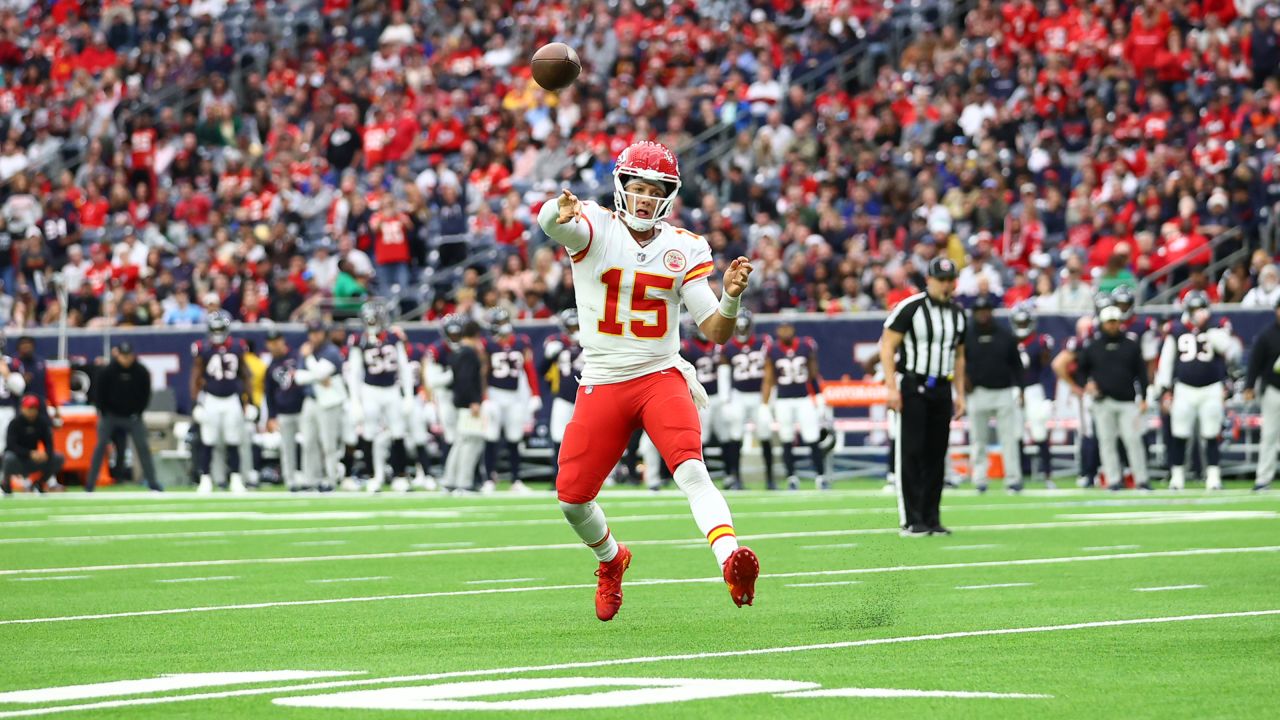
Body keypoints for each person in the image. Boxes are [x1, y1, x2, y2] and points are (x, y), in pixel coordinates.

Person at [536, 140, 759, 621]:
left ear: (668, 195)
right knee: (572, 500)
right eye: (636, 187)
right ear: (621, 188)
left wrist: (732, 297)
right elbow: (551, 225)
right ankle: (612, 559)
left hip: (660, 373)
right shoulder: (594, 226)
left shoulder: (684, 246)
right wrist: (557, 209)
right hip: (603, 378)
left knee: (691, 469)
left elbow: (715, 331)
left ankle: (731, 562)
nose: (642, 198)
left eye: (653, 190)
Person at [880, 256, 967, 537]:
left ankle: (932, 517)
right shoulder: (911, 307)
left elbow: (960, 356)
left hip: (942, 387)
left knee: (936, 454)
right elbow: (888, 344)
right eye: (941, 280)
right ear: (928, 280)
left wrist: (960, 393)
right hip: (914, 386)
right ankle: (911, 519)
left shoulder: (957, 313)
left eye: (949, 280)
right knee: (912, 452)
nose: (945, 285)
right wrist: (892, 387)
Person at [1155, 291, 1239, 490]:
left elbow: (1227, 347)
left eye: (1199, 308)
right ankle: (1177, 477)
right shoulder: (1176, 329)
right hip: (1183, 389)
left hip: (1211, 388)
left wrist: (1206, 327)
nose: (1196, 313)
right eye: (1193, 309)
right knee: (1179, 433)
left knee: (1211, 433)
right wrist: (1165, 389)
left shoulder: (1217, 325)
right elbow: (1166, 360)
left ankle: (1213, 477)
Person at [1076, 305, 1152, 492]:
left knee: (1133, 440)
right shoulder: (1093, 346)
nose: (1112, 326)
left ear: (1120, 323)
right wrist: (1087, 384)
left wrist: (1144, 396)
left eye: (1115, 322)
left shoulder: (1130, 345)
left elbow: (1141, 373)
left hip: (1127, 401)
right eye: (1109, 322)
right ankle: (1113, 480)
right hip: (1103, 401)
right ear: (1102, 324)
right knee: (1106, 442)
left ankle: (1141, 479)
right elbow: (1080, 370)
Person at [348, 301, 414, 493]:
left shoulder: (394, 337)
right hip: (370, 390)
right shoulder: (359, 340)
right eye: (369, 319)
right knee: (369, 433)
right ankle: (372, 476)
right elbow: (355, 373)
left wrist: (408, 395)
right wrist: (355, 401)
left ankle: (400, 476)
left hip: (391, 389)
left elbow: (404, 367)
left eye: (375, 318)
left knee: (398, 432)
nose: (372, 322)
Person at [964, 294, 1024, 493]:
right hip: (977, 392)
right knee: (978, 439)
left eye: (985, 311)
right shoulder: (967, 335)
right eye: (979, 311)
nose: (982, 315)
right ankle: (980, 479)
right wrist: (962, 381)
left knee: (1009, 438)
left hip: (1003, 391)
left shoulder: (1005, 335)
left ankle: (1013, 479)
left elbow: (1016, 364)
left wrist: (1021, 388)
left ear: (991, 312)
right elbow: (958, 362)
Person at [85, 342, 161, 492]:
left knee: (143, 447)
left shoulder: (140, 371)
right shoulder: (107, 371)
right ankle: (90, 484)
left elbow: (146, 394)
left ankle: (153, 482)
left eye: (128, 356)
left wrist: (138, 412)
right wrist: (104, 411)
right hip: (110, 416)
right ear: (117, 355)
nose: (126, 359)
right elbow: (98, 393)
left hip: (132, 417)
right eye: (123, 356)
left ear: (132, 355)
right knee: (100, 446)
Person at [760, 319, 826, 491]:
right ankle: (791, 477)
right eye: (782, 328)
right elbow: (769, 379)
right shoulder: (772, 350)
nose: (785, 331)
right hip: (783, 400)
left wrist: (818, 396)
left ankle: (821, 476)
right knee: (786, 438)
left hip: (803, 399)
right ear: (777, 331)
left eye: (788, 327)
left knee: (812, 437)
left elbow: (813, 373)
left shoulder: (806, 345)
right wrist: (765, 405)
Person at [480, 308, 539, 493]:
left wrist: (535, 394)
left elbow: (529, 369)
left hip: (514, 397)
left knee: (515, 438)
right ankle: (489, 478)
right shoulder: (487, 345)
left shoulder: (521, 342)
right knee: (491, 437)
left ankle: (516, 479)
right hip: (495, 393)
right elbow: (483, 372)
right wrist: (485, 398)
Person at [190, 311, 250, 493]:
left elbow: (245, 374)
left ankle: (236, 478)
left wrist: (249, 401)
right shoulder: (203, 347)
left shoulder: (238, 346)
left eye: (220, 329)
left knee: (234, 440)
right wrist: (196, 403)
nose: (217, 333)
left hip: (232, 398)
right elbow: (196, 376)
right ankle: (206, 478)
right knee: (208, 440)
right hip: (211, 399)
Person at [720, 311, 775, 489]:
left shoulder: (763, 342)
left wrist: (768, 401)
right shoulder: (727, 347)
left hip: (759, 395)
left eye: (744, 326)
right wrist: (725, 401)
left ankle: (770, 478)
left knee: (765, 434)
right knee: (735, 435)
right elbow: (724, 375)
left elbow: (770, 371)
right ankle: (736, 478)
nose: (742, 330)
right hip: (739, 395)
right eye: (739, 326)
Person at [295, 321, 348, 491]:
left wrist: (309, 359)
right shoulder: (306, 350)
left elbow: (318, 373)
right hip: (311, 399)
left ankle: (331, 478)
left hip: (329, 402)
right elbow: (299, 377)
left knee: (328, 443)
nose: (314, 336)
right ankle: (311, 479)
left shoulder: (331, 351)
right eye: (311, 333)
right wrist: (317, 375)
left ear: (323, 334)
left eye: (317, 333)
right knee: (309, 441)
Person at [680, 319, 731, 486]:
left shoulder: (718, 346)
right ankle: (703, 476)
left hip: (718, 396)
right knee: (702, 437)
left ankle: (730, 474)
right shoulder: (688, 348)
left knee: (726, 436)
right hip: (700, 399)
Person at [1012, 306, 1057, 488]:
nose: (1022, 326)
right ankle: (1020, 474)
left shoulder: (1040, 342)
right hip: (1014, 389)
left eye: (1025, 322)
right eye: (1019, 322)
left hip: (1034, 389)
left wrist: (1049, 397)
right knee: (1015, 434)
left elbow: (1046, 370)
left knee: (1039, 432)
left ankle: (1046, 473)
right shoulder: (1009, 342)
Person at [442, 320, 487, 493]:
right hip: (467, 404)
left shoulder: (458, 351)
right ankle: (464, 482)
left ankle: (450, 481)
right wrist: (474, 400)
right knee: (471, 443)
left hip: (459, 402)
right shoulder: (468, 352)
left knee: (460, 442)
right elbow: (466, 380)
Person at [543, 308, 584, 484]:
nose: (574, 329)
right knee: (558, 437)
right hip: (563, 396)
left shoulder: (591, 340)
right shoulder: (556, 342)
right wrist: (548, 356)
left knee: (586, 439)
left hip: (587, 396)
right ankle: (557, 477)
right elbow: (541, 370)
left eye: (577, 325)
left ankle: (584, 478)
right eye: (571, 325)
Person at [1244, 297, 1280, 492]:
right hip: (1273, 389)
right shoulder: (1267, 335)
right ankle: (1263, 478)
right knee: (1270, 435)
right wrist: (1249, 386)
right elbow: (1254, 363)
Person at [264, 329, 306, 491]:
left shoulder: (297, 357)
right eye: (271, 342)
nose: (275, 345)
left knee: (309, 445)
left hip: (302, 409)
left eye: (277, 340)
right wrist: (272, 416)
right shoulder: (271, 367)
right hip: (284, 412)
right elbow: (269, 394)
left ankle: (309, 478)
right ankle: (291, 480)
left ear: (283, 340)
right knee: (287, 448)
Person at [424, 316, 464, 481]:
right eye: (452, 334)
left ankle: (462, 474)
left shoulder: (466, 347)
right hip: (445, 395)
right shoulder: (437, 350)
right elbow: (432, 381)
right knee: (450, 436)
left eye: (457, 333)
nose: (455, 337)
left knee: (465, 436)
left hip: (464, 397)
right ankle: (449, 474)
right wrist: (453, 374)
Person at [1, 396, 64, 494]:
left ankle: (40, 483)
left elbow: (49, 442)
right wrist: (29, 453)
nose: (32, 411)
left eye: (34, 408)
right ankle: (6, 483)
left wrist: (46, 454)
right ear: (22, 408)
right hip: (19, 459)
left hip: (34, 460)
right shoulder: (15, 423)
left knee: (58, 458)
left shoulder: (41, 422)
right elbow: (11, 445)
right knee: (8, 458)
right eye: (29, 408)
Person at [0, 333, 27, 460]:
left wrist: (7, 375)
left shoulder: (12, 363)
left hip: (7, 409)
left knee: (5, 446)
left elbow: (19, 388)